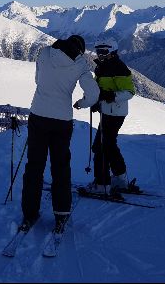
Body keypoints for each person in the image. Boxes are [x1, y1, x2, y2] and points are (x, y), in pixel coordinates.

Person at [21, 34, 99, 233]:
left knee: (34, 166)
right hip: (62, 120)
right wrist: (81, 104)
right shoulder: (80, 63)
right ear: (80, 49)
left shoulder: (45, 52)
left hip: (38, 115)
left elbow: (38, 79)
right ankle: (61, 213)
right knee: (60, 166)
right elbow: (93, 94)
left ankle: (30, 212)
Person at [87, 37, 136, 195]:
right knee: (108, 145)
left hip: (115, 113)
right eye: (98, 51)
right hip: (108, 111)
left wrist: (110, 96)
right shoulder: (102, 67)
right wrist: (97, 100)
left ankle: (102, 184)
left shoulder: (118, 67)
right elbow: (100, 88)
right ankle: (120, 179)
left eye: (103, 51)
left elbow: (129, 92)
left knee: (101, 147)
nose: (99, 54)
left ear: (111, 52)